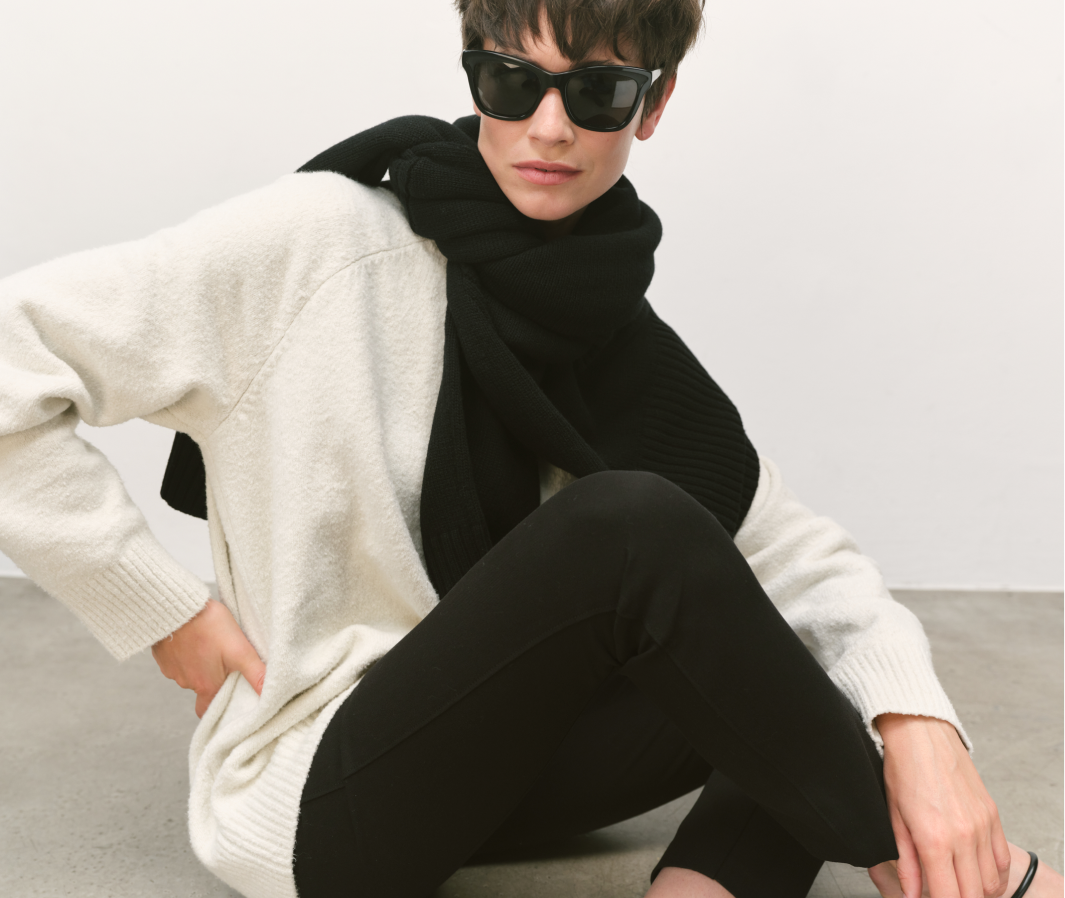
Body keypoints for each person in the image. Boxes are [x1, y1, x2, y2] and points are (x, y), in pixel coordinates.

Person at [0, 1, 1058, 897]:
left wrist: (921, 729)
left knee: (794, 652)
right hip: (322, 794)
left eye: (596, 93)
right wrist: (161, 609)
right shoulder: (317, 244)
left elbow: (799, 561)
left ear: (653, 105)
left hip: (494, 777)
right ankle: (975, 880)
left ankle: (704, 888)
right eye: (512, 82)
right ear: (473, 74)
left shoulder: (602, 317)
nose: (548, 127)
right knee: (632, 528)